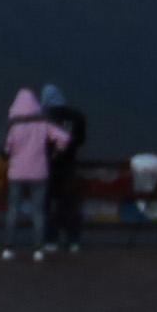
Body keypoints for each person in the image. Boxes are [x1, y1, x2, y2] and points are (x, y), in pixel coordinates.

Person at [1, 88, 64, 261]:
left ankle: (8, 247)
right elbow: (64, 138)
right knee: (38, 211)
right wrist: (56, 151)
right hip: (39, 172)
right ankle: (38, 249)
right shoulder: (43, 123)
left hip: (17, 172)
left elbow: (7, 148)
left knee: (13, 209)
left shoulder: (14, 125)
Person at [39, 82, 92, 254]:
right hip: (70, 166)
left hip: (49, 166)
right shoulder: (77, 117)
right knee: (69, 204)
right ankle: (73, 241)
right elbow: (81, 139)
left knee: (47, 205)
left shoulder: (43, 117)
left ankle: (50, 240)